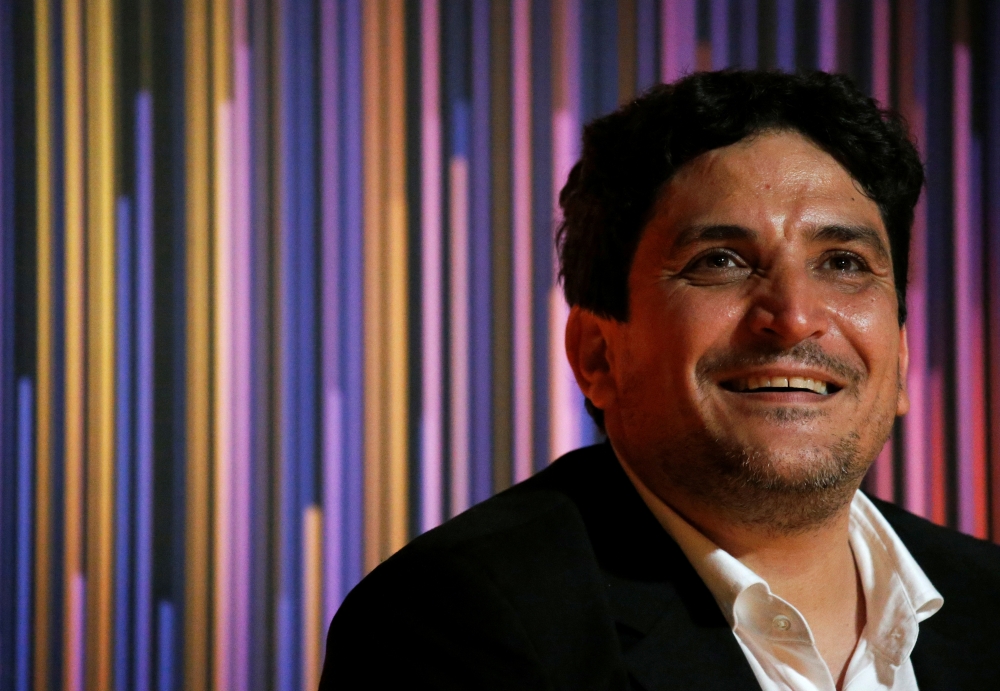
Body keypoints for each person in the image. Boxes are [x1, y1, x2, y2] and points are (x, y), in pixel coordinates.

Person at [319, 70, 1000, 690]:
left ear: (903, 359)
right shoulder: (456, 622)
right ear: (597, 355)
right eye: (722, 260)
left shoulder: (989, 600)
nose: (793, 316)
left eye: (844, 263)